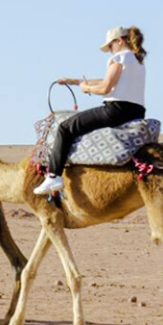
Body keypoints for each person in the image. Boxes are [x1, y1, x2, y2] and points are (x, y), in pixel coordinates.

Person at [32, 26, 148, 197]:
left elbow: (105, 87)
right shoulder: (137, 61)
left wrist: (86, 88)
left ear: (120, 41)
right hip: (136, 111)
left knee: (65, 128)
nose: (110, 50)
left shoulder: (119, 57)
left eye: (110, 45)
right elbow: (106, 80)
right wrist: (74, 81)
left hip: (115, 110)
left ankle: (54, 176)